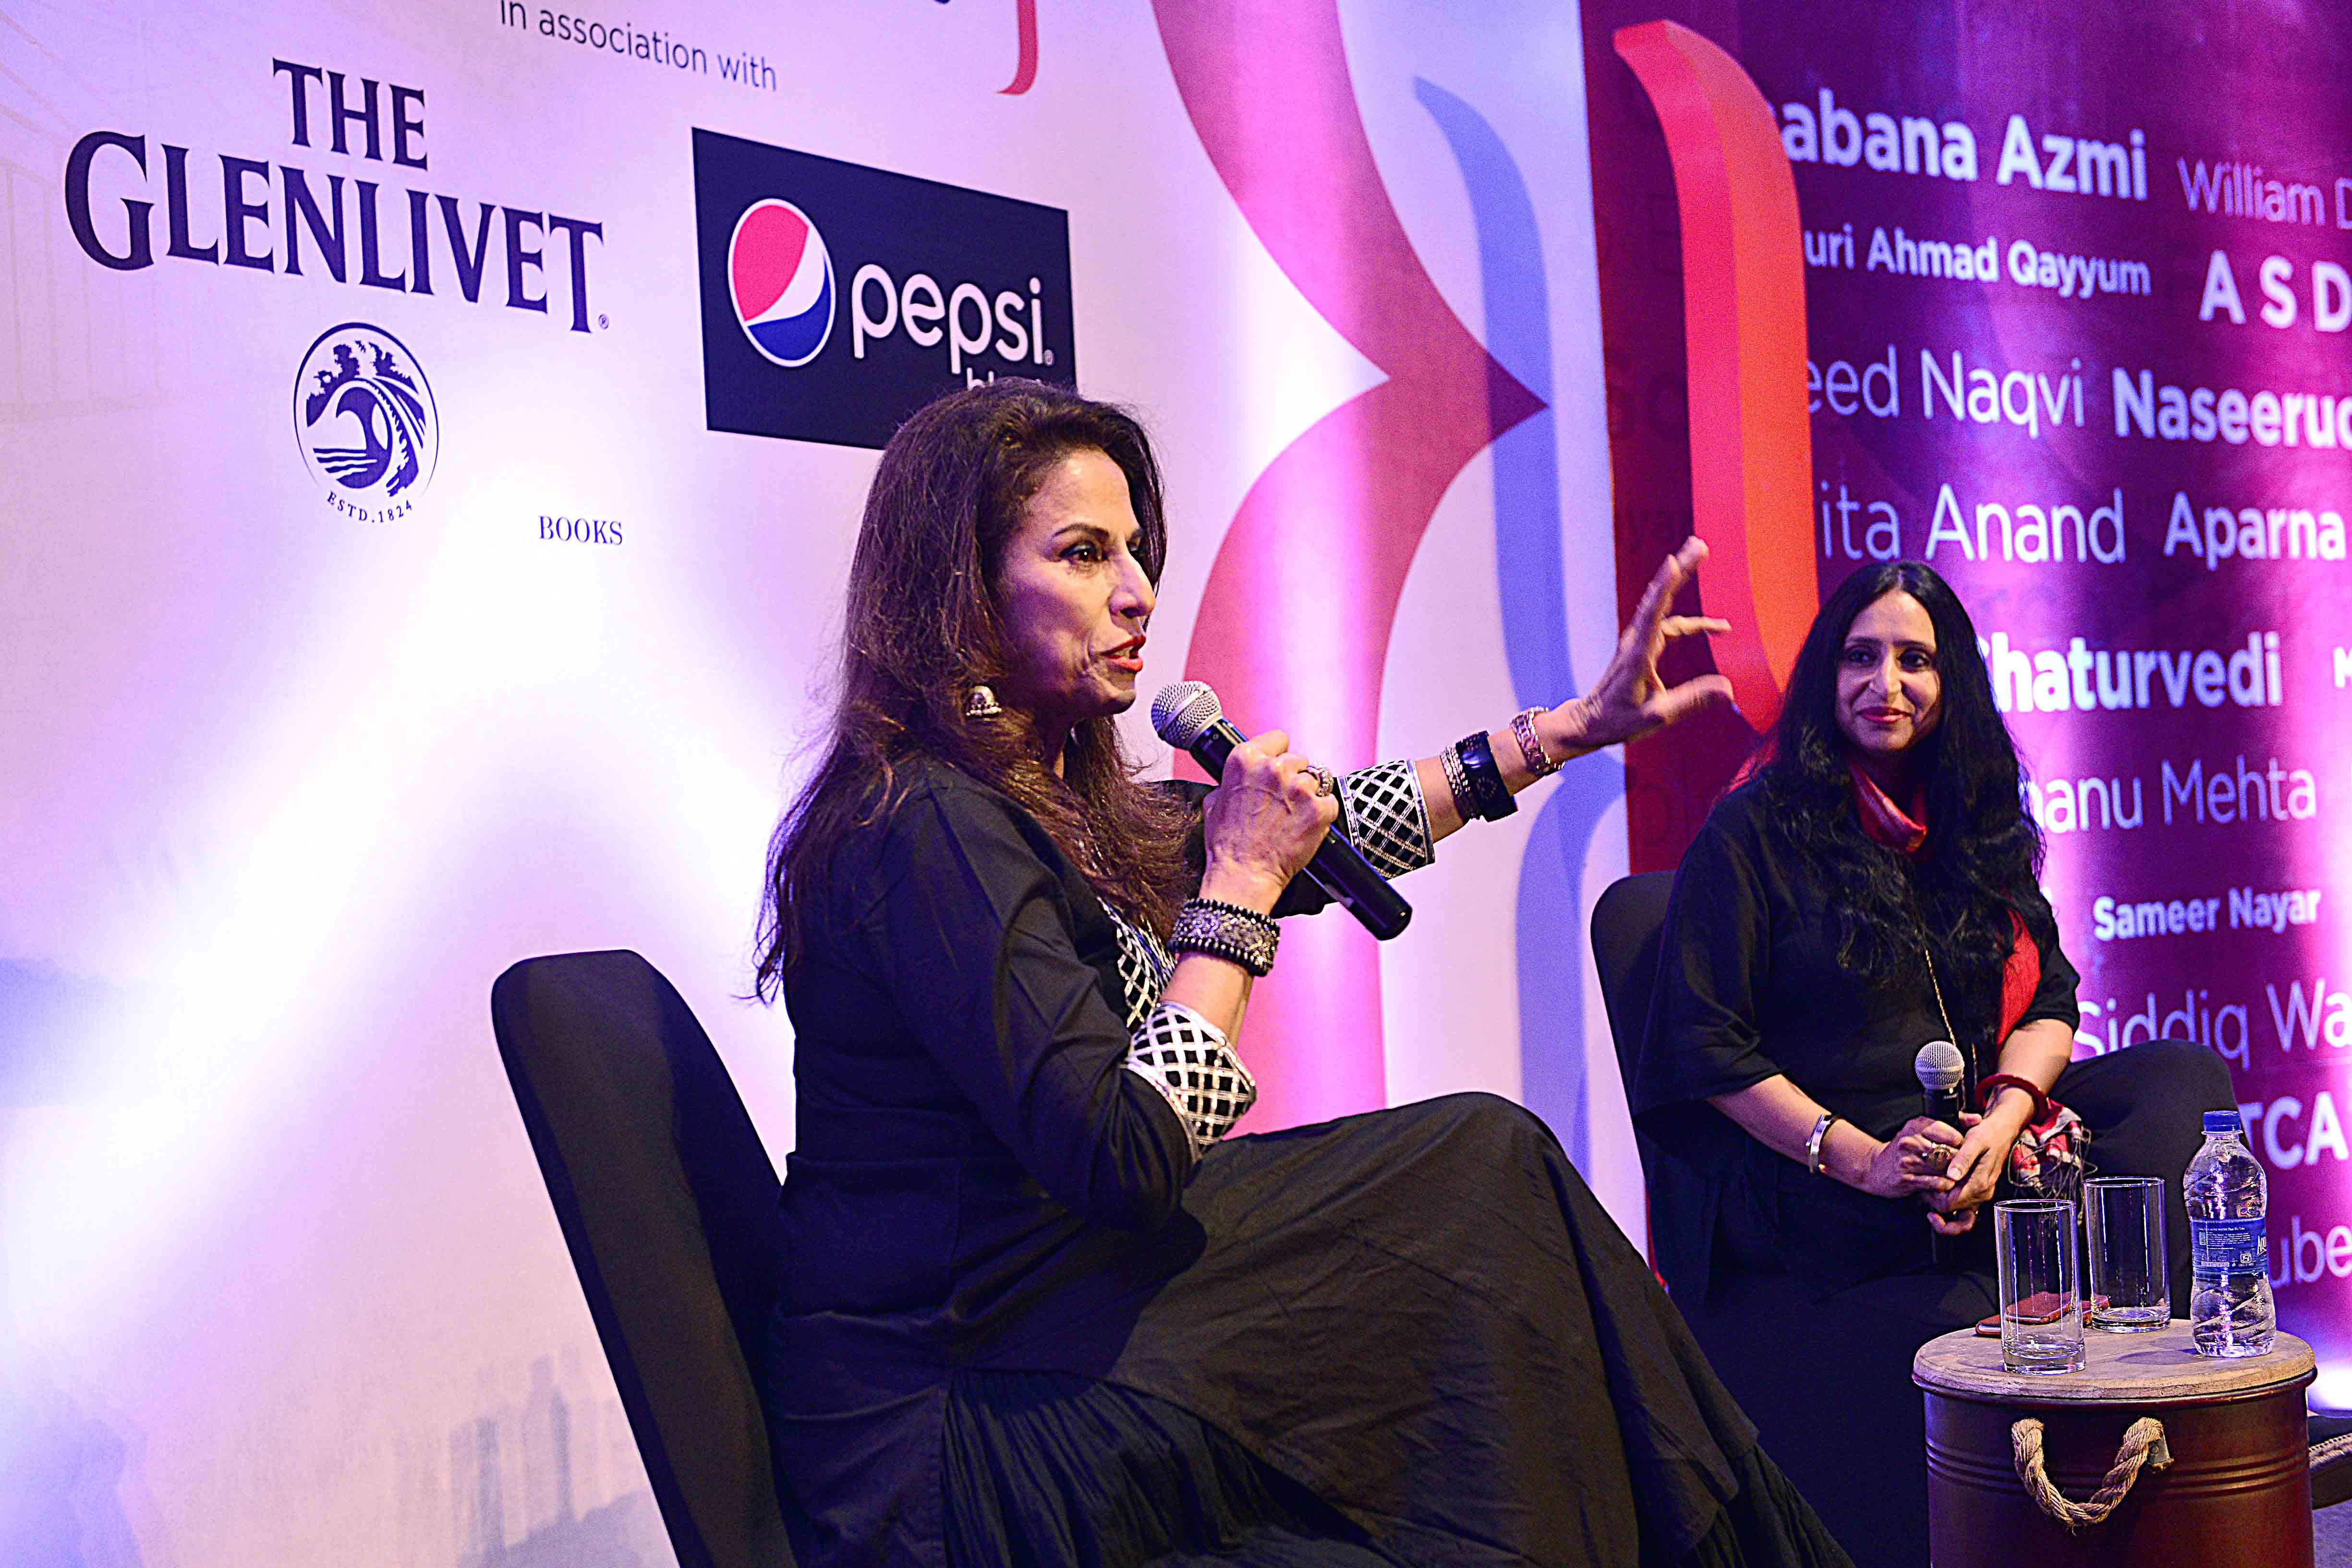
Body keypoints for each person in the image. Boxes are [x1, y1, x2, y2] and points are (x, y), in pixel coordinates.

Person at [752, 379, 1852, 1568]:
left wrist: (1561, 733)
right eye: (1082, 553)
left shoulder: (1045, 798)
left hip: (1068, 1315)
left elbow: (1324, 830)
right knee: (1484, 1181)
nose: (1137, 590)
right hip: (964, 1426)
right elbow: (1127, 1155)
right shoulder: (924, 827)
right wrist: (1235, 889)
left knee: (1490, 1189)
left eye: (1135, 549)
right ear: (962, 587)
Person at [1631, 559, 2233, 1567]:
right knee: (1935, 1251)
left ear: (1948, 680)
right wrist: (1863, 1157)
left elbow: (2050, 1004)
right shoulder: (1754, 830)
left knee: (2180, 1080)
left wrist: (2001, 1124)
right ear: (1826, 677)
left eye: (1914, 659)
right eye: (1860, 658)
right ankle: (2031, 1322)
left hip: (1973, 1130)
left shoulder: (1971, 819)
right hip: (1820, 1162)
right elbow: (1705, 1048)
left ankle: (2136, 1350)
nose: (1887, 683)